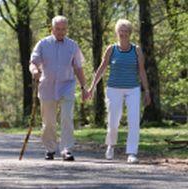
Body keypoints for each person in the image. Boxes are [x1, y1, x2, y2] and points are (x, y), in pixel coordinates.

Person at [88, 19, 151, 163]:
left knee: (134, 120)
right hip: (113, 88)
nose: (123, 33)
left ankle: (132, 152)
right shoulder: (111, 49)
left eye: (126, 31)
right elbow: (102, 68)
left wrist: (146, 90)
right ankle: (111, 145)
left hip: (133, 89)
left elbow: (141, 71)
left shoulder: (136, 50)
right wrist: (92, 87)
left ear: (130, 33)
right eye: (120, 31)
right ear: (117, 32)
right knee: (113, 120)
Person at [29, 15, 88, 161]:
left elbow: (78, 68)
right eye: (58, 29)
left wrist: (84, 87)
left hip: (67, 85)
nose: (61, 32)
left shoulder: (72, 45)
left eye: (63, 29)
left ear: (66, 29)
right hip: (47, 86)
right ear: (52, 28)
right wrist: (35, 71)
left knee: (67, 117)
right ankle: (50, 148)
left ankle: (66, 149)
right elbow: (33, 62)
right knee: (49, 121)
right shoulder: (43, 44)